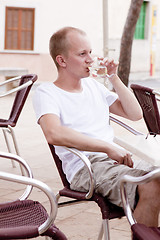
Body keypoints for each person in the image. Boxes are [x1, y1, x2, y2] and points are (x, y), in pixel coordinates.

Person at [33, 26, 160, 230]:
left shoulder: (94, 86)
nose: (90, 59)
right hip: (87, 168)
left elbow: (135, 114)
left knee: (157, 177)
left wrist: (113, 77)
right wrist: (106, 147)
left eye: (90, 52)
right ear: (62, 60)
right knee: (150, 185)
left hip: (115, 159)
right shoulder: (47, 93)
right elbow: (53, 132)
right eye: (82, 54)